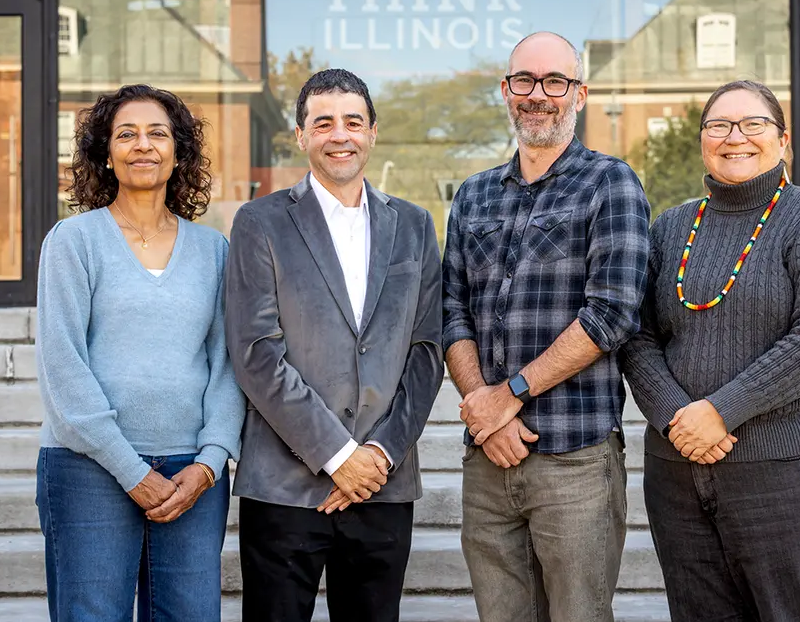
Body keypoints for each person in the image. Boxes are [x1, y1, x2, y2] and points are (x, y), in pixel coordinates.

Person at [621, 79, 800, 621]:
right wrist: (676, 419)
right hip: (679, 478)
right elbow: (637, 336)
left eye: (754, 124)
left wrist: (721, 411)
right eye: (719, 125)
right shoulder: (670, 228)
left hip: (793, 476)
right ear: (703, 140)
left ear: (784, 142)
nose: (736, 137)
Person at [442, 32, 651, 622]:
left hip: (574, 456)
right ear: (506, 92)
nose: (539, 95)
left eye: (554, 81)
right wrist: (483, 409)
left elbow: (611, 313)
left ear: (579, 94)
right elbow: (450, 311)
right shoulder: (473, 195)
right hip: (487, 461)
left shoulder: (611, 184)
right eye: (524, 81)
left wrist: (507, 396)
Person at [225, 68, 444, 622]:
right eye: (323, 122)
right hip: (285, 488)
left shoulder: (415, 226)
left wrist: (377, 455)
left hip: (383, 483)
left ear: (373, 132)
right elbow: (256, 353)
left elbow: (427, 352)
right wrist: (338, 455)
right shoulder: (259, 223)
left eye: (353, 121)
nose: (339, 134)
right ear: (301, 136)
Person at [34, 84, 245, 622]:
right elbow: (62, 366)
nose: (143, 145)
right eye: (126, 134)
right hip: (89, 469)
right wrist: (130, 470)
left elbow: (228, 365)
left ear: (179, 152)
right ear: (105, 153)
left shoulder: (213, 249)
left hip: (190, 475)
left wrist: (210, 462)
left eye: (158, 133)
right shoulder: (73, 241)